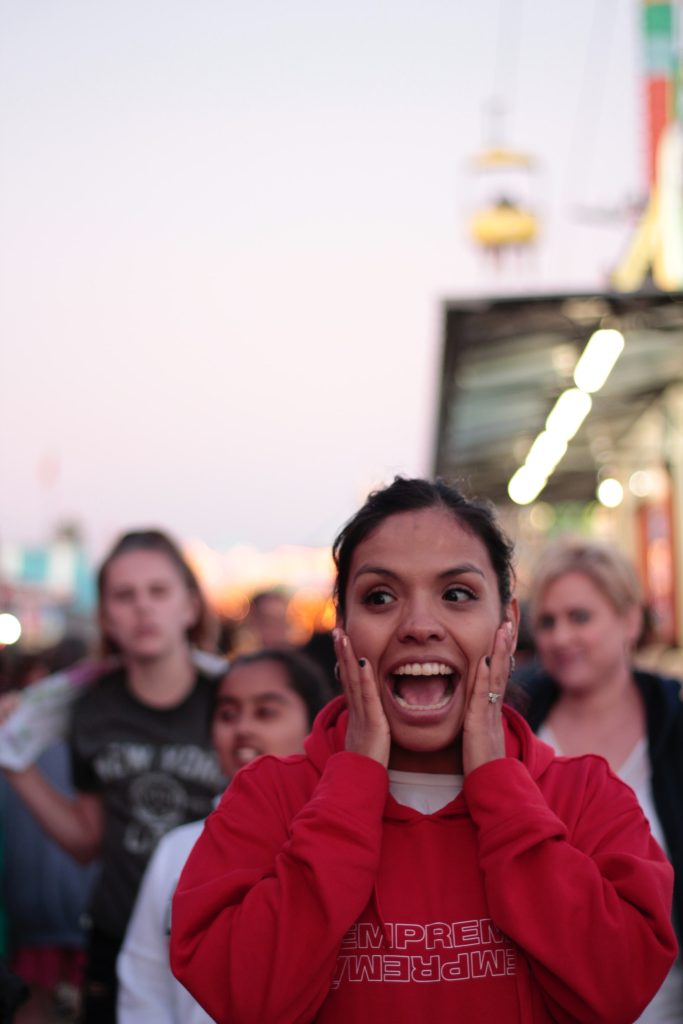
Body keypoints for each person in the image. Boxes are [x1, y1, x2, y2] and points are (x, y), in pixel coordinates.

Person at [170, 477, 676, 1024]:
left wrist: (500, 790)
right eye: (380, 597)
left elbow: (621, 987)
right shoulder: (268, 798)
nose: (418, 626)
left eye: (456, 594)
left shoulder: (585, 796)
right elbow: (243, 999)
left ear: (508, 625)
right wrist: (353, 785)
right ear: (341, 628)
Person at [1, 530, 227, 1024]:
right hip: (119, 938)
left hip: (219, 936)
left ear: (190, 606)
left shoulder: (234, 698)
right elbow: (87, 841)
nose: (142, 607)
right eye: (124, 595)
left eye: (158, 591)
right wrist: (12, 762)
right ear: (105, 615)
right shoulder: (87, 708)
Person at [117, 648, 332, 1024]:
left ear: (316, 726)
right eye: (227, 714)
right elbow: (144, 983)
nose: (242, 729)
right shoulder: (177, 848)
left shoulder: (339, 843)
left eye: (266, 711)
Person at [520, 536, 683, 1023]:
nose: (560, 638)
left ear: (630, 620)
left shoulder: (675, 725)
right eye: (547, 622)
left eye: (580, 617)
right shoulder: (513, 727)